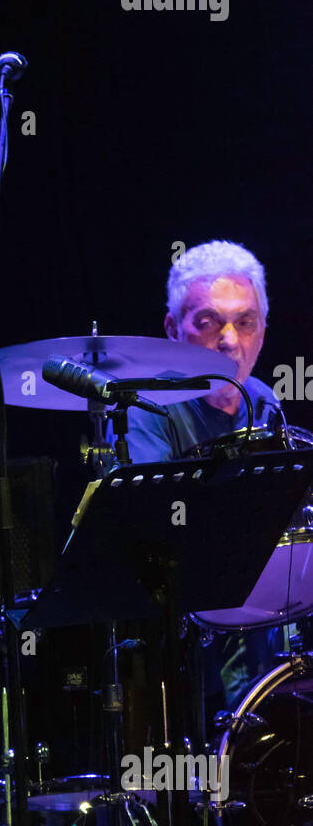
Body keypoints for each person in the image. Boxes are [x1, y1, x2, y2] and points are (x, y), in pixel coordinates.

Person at [118, 240, 285, 713]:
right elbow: (151, 536)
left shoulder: (264, 400)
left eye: (245, 322)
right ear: (174, 329)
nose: (230, 340)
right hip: (184, 620)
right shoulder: (150, 406)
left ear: (263, 329)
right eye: (209, 322)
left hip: (259, 605)